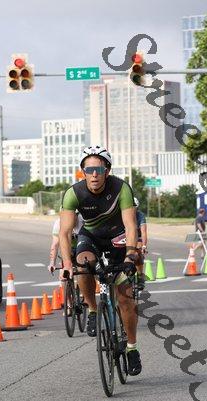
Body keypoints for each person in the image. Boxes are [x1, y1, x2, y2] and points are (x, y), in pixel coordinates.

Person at [59, 145, 141, 376]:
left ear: (107, 171)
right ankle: (93, 309)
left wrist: (130, 255)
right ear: (82, 172)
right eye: (89, 170)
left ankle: (132, 348)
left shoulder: (121, 188)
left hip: (117, 238)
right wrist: (67, 265)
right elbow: (65, 233)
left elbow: (131, 226)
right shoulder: (73, 193)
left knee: (125, 298)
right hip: (91, 236)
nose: (94, 174)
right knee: (83, 263)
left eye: (99, 169)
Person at [134, 197, 148, 286]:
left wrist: (144, 246)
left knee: (138, 252)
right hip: (124, 236)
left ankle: (140, 275)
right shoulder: (121, 214)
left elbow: (143, 232)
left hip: (137, 237)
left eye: (135, 208)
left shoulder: (140, 215)